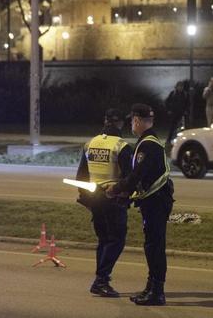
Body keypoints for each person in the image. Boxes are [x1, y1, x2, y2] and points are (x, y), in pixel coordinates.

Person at [107, 103, 175, 306]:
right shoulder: (148, 142)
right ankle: (151, 287)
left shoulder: (147, 145)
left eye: (132, 121)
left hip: (156, 202)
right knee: (151, 245)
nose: (131, 124)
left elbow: (136, 175)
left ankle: (157, 292)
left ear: (137, 120)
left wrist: (116, 189)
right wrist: (125, 191)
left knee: (154, 246)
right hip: (154, 200)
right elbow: (141, 178)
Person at [75, 108, 133, 298]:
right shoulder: (121, 146)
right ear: (120, 124)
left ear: (105, 121)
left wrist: (86, 199)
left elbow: (80, 177)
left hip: (94, 198)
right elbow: (129, 177)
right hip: (113, 198)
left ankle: (102, 279)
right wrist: (125, 197)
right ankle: (101, 280)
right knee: (116, 240)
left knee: (103, 240)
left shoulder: (90, 143)